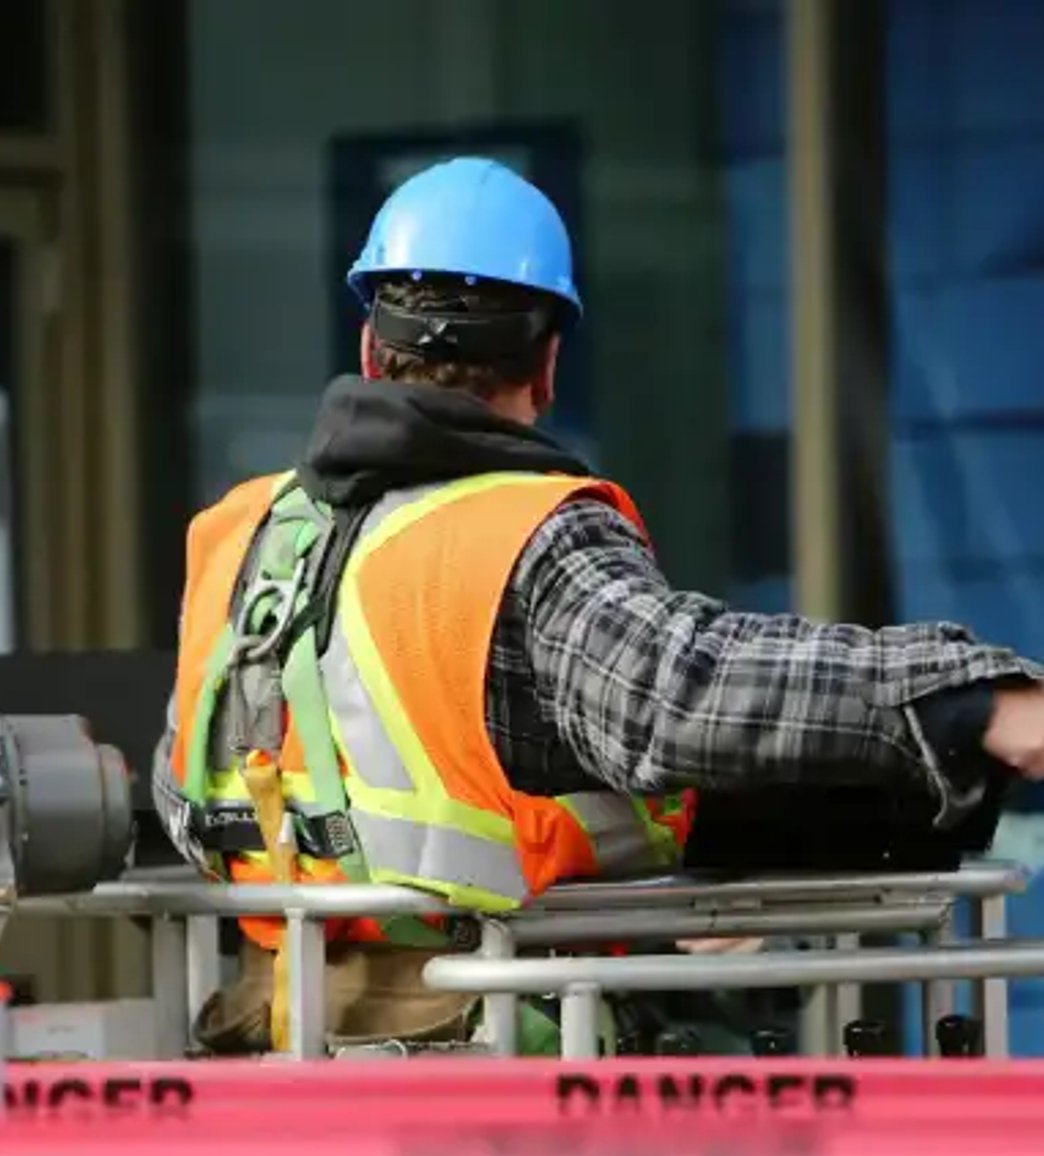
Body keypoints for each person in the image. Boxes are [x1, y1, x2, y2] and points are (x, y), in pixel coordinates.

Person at [153, 156, 1044, 1057]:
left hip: (269, 1055)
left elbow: (187, 788)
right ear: (547, 365)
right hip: (487, 1053)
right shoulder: (523, 533)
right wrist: (972, 700)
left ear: (368, 347)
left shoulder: (241, 535)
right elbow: (678, 691)